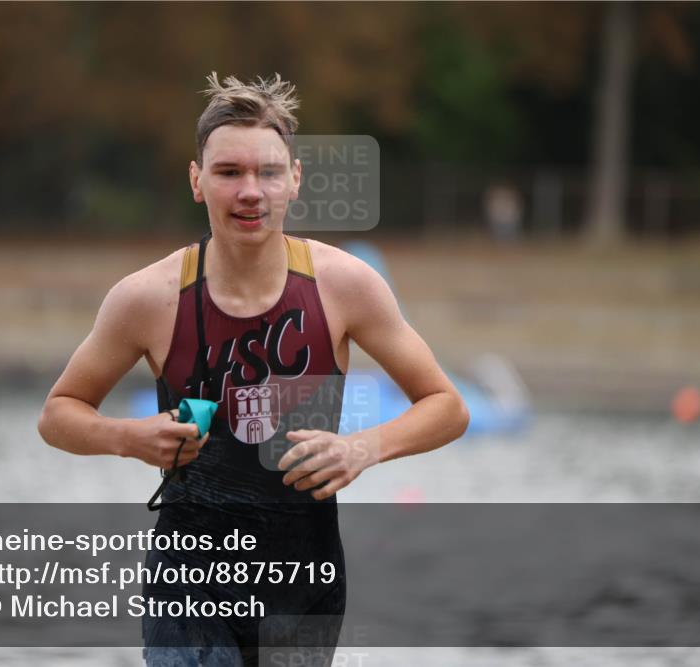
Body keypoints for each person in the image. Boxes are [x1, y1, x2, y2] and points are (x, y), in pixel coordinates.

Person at [38, 72, 470, 666]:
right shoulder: (149, 297)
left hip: (303, 584)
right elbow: (58, 414)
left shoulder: (344, 286)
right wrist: (127, 437)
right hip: (187, 582)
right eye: (229, 172)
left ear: (294, 181)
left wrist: (362, 448)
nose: (251, 191)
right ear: (197, 181)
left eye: (268, 172)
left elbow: (447, 406)